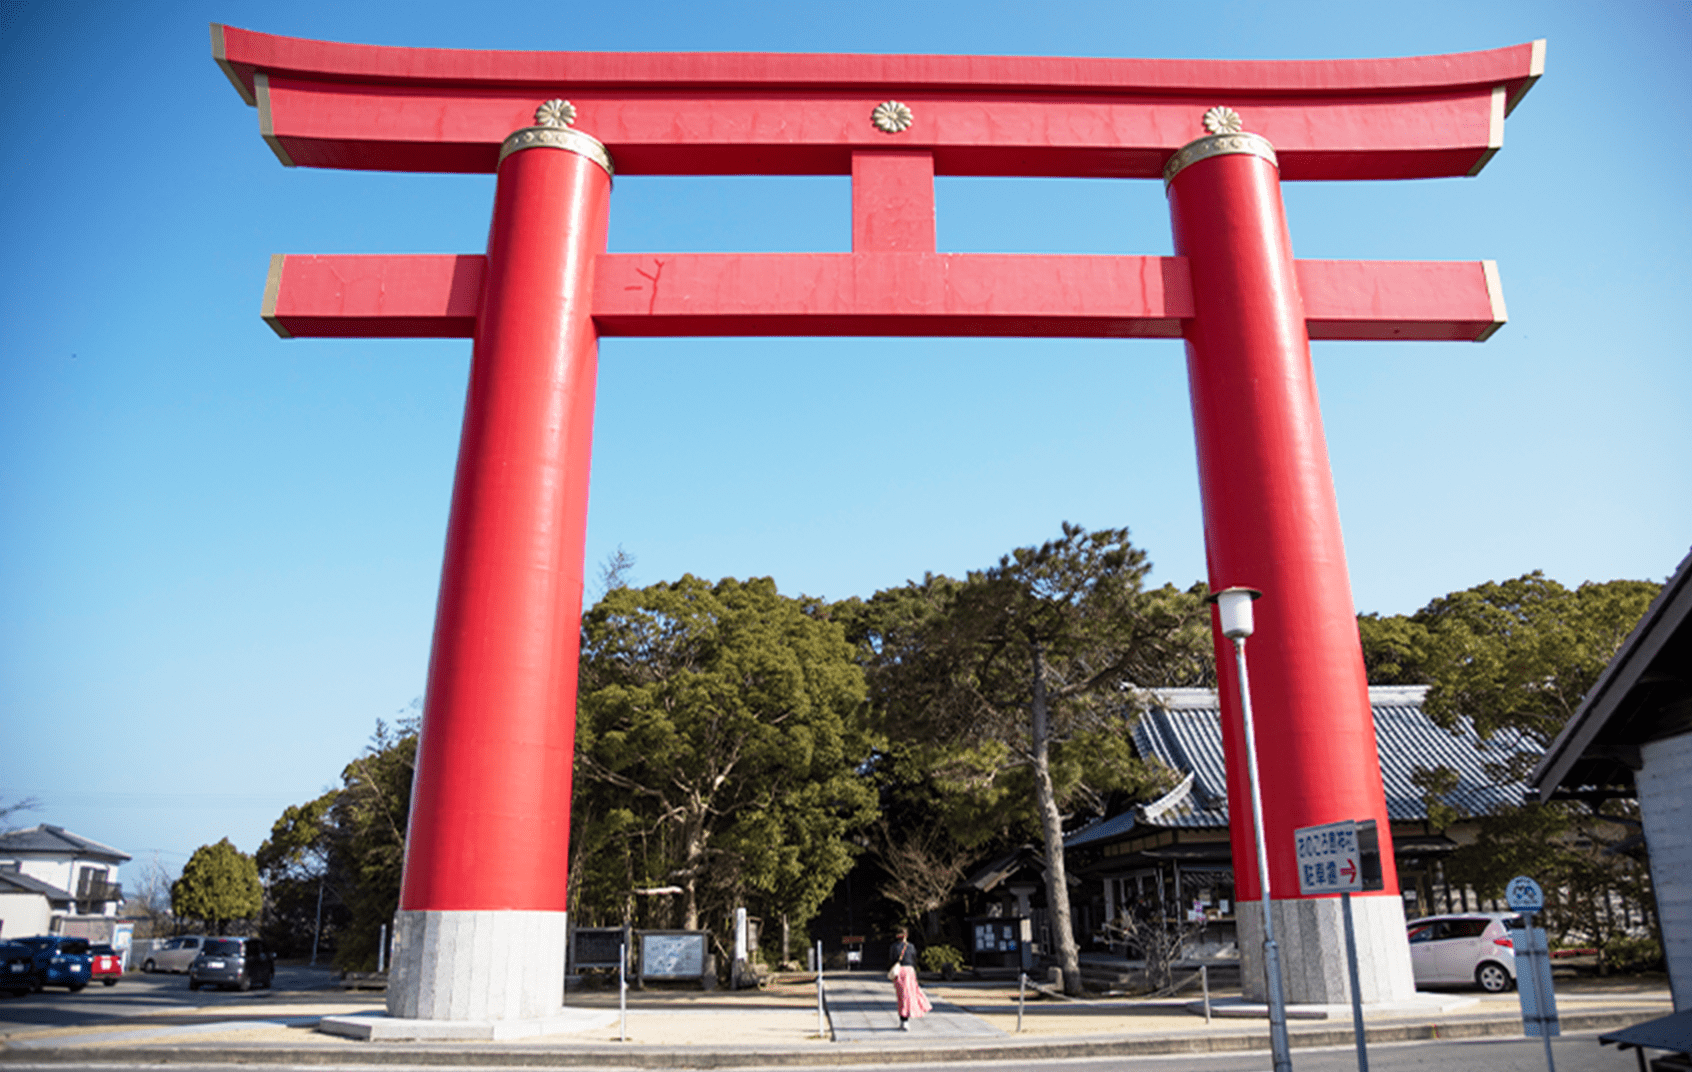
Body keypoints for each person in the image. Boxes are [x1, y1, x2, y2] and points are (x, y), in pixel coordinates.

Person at [887, 927, 931, 1030]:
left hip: (899, 972)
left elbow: (892, 959)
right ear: (906, 935)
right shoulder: (911, 946)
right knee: (910, 995)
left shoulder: (894, 947)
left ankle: (904, 1020)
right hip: (909, 971)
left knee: (902, 997)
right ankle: (909, 1016)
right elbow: (914, 958)